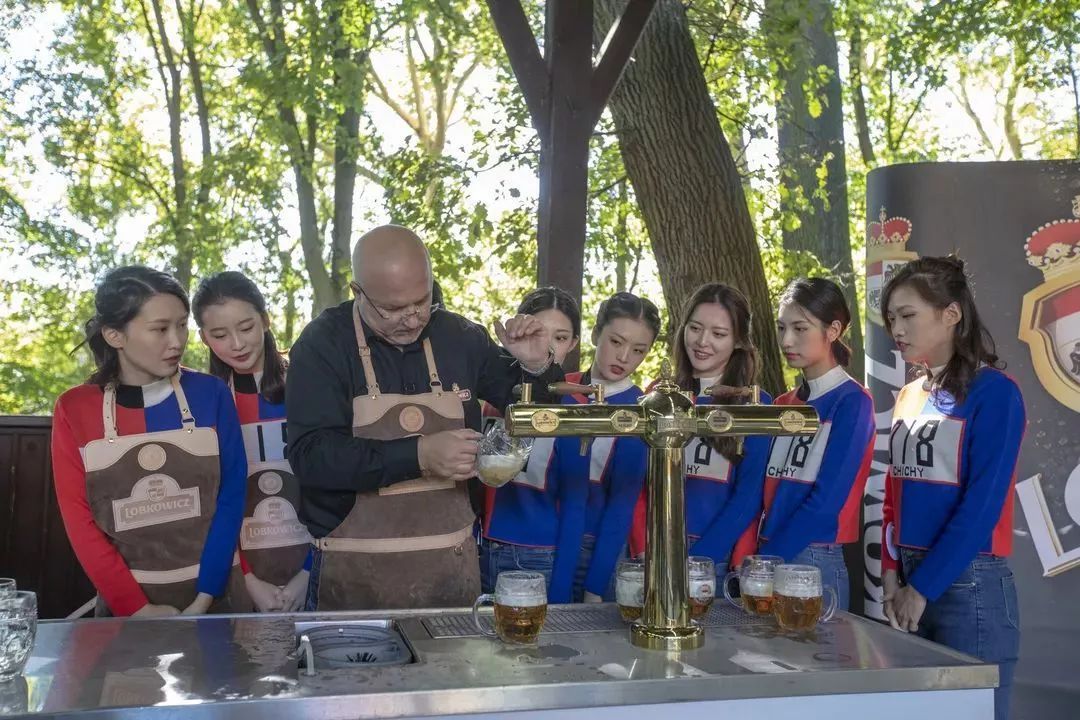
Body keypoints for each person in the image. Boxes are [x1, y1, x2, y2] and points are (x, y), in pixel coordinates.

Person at [286, 225, 564, 611]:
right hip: (353, 582)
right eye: (395, 309)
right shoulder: (322, 345)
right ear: (358, 292)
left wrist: (535, 366)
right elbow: (311, 457)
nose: (414, 319)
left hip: (450, 577)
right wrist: (419, 456)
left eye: (422, 301)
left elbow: (535, 415)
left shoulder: (460, 336)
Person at [51, 266, 246, 617]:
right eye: (160, 329)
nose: (177, 341)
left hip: (218, 601)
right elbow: (80, 523)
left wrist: (206, 595)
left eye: (182, 325)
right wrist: (136, 608)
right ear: (115, 335)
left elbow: (232, 497)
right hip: (126, 612)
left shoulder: (211, 394)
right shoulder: (74, 409)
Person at [881, 256, 1023, 720]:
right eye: (891, 319)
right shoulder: (908, 394)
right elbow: (894, 495)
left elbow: (982, 505)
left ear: (951, 313)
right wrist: (891, 573)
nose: (896, 329)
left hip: (969, 584)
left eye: (907, 316)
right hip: (906, 579)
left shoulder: (995, 392)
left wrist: (921, 587)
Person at [628, 284, 772, 571]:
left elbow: (749, 496)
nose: (702, 341)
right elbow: (634, 481)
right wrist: (644, 548)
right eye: (695, 328)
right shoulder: (656, 395)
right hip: (652, 552)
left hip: (713, 558)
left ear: (739, 342)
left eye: (718, 334)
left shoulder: (753, 404)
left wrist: (700, 560)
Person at [193, 271, 311, 613]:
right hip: (239, 574)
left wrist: (308, 574)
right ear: (203, 337)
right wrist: (247, 578)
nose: (237, 343)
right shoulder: (204, 404)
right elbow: (211, 505)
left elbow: (335, 485)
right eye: (219, 334)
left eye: (245, 328)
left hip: (314, 562)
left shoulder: (309, 387)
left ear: (265, 320)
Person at [754, 278, 874, 610]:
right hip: (768, 547)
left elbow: (827, 502)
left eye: (800, 328)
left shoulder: (853, 402)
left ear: (833, 330)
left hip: (813, 556)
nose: (786, 340)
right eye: (781, 328)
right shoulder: (782, 403)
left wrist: (765, 561)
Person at [478, 287, 581, 592]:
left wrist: (562, 589)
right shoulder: (490, 402)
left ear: (573, 344)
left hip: (537, 555)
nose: (545, 346)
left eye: (559, 338)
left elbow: (576, 504)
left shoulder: (574, 411)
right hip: (481, 545)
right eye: (537, 332)